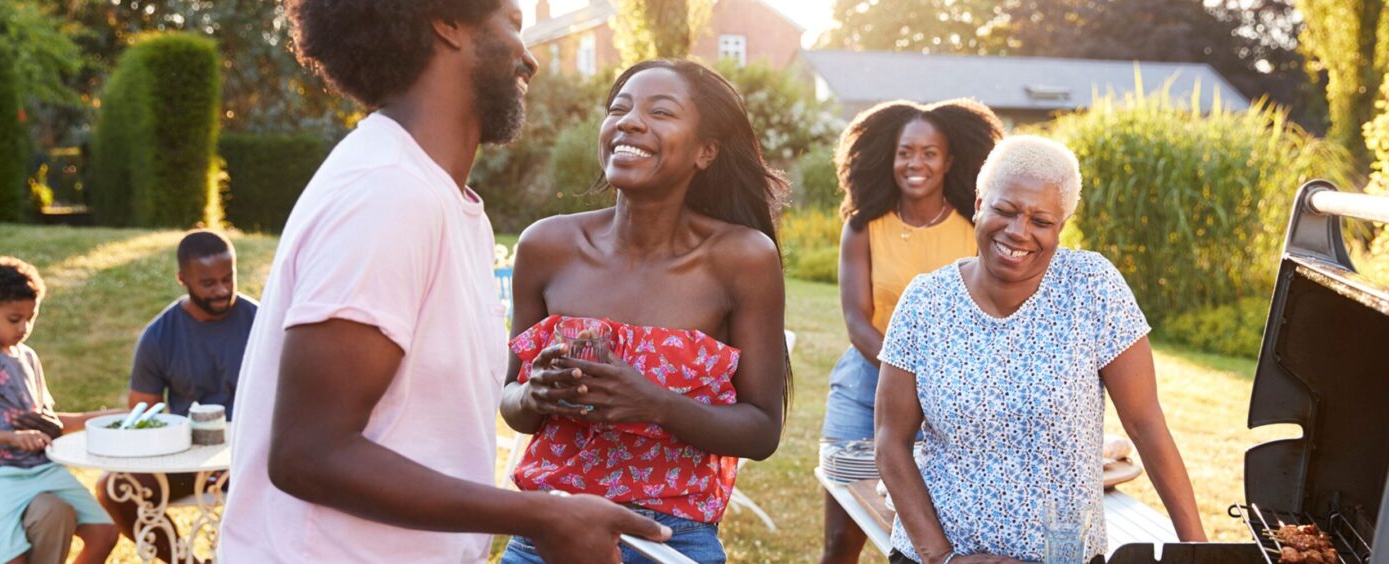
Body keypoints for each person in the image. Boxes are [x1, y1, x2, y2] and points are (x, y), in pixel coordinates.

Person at [219, 0, 669, 561]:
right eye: (512, 24)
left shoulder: (444, 202)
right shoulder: (388, 193)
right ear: (447, 21)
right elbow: (309, 452)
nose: (529, 59)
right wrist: (544, 514)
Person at [498, 59, 791, 564]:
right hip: (549, 529)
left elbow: (761, 430)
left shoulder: (743, 258)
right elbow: (512, 406)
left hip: (669, 541)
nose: (630, 122)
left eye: (660, 111)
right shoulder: (546, 245)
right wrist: (535, 393)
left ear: (706, 151)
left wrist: (655, 405)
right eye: (619, 108)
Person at [874, 136, 1207, 563]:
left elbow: (1146, 425)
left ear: (1060, 227)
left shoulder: (1092, 288)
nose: (1019, 231)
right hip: (938, 555)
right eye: (1005, 210)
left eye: (1041, 221)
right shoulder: (925, 302)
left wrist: (1201, 552)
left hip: (1063, 555)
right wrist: (944, 558)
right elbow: (890, 442)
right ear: (979, 204)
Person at [820, 100, 1003, 563]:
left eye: (929, 153)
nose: (915, 163)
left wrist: (942, 383)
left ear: (950, 162)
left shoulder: (975, 228)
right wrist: (911, 375)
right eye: (905, 152)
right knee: (842, 540)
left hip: (956, 393)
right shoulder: (862, 226)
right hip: (866, 388)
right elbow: (858, 320)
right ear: (890, 157)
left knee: (919, 539)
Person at [0, 255, 121, 564]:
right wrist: (12, 438)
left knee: (105, 532)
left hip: (41, 469)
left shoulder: (27, 357)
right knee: (13, 559)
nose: (24, 327)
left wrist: (104, 418)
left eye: (31, 317)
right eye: (15, 319)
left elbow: (48, 422)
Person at [94, 230, 253, 561]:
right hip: (186, 458)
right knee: (114, 490)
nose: (222, 290)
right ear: (183, 279)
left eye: (228, 278)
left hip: (253, 456)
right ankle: (183, 561)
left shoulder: (261, 321)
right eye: (208, 283)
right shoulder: (159, 336)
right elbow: (143, 417)